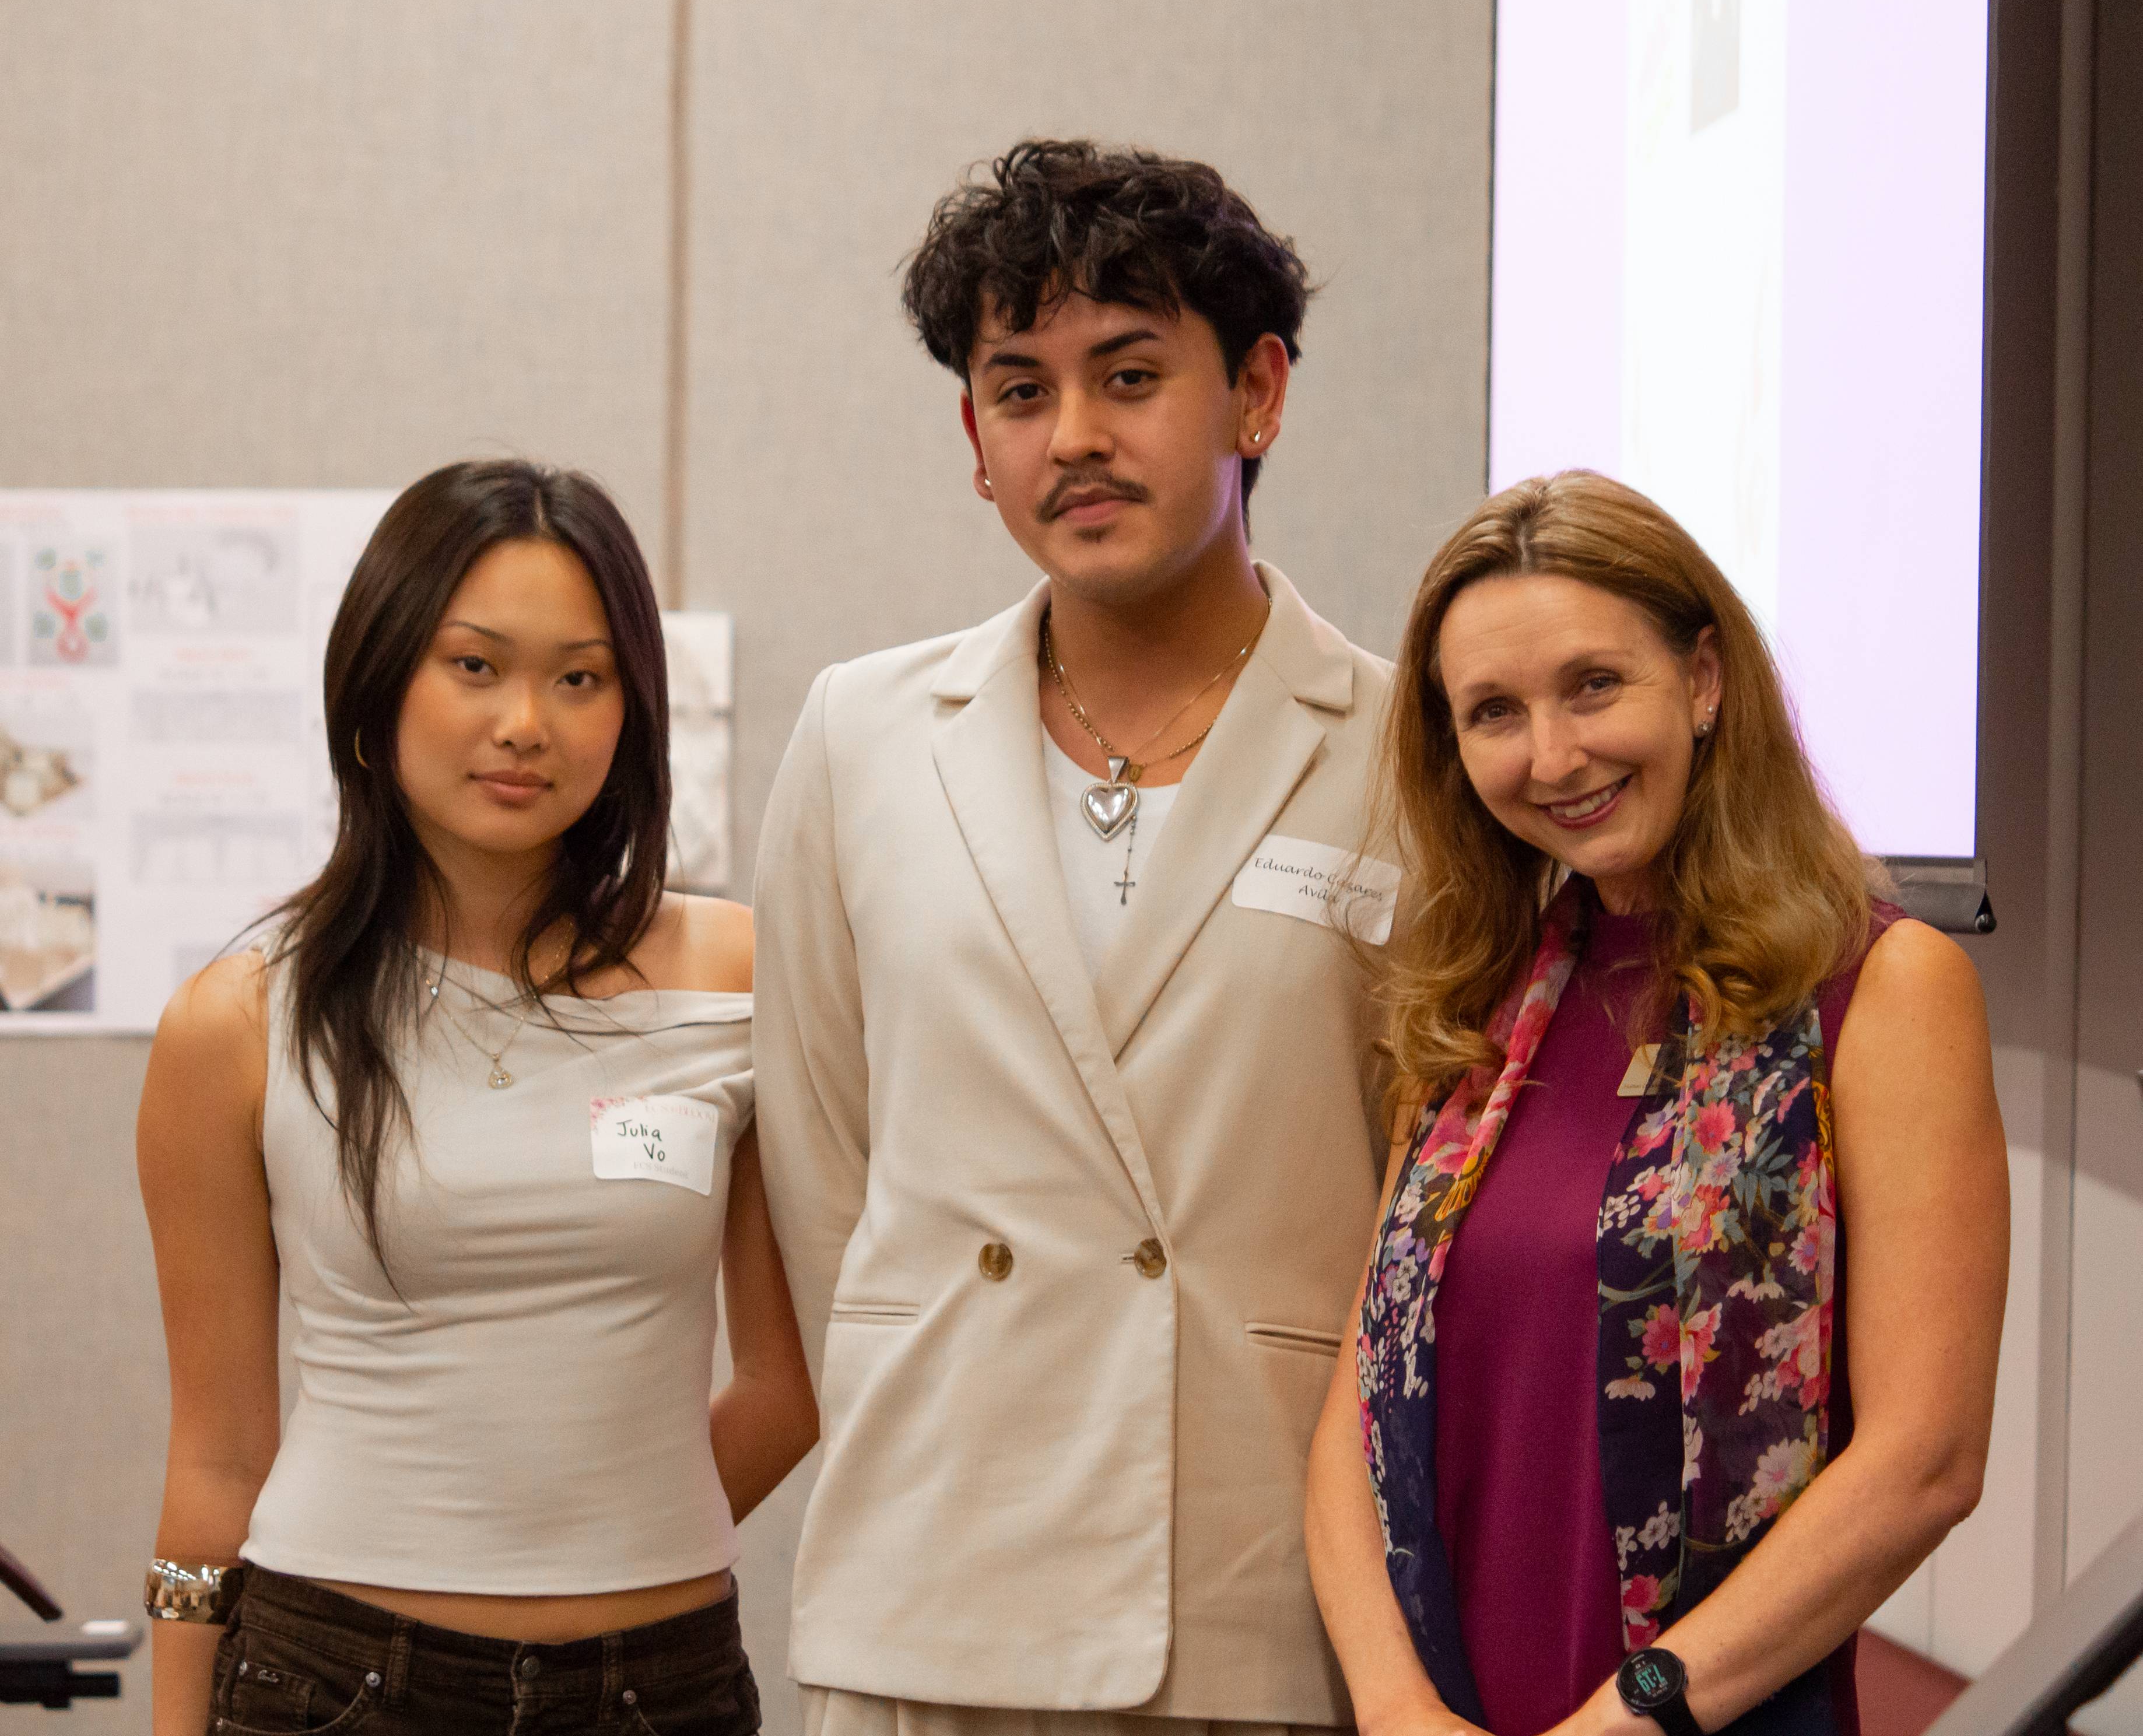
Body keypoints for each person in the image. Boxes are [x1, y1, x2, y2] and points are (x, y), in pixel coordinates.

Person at [753, 139, 1393, 1734]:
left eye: (1128, 375)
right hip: (935, 1573)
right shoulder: (860, 733)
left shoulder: (1406, 750)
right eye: (1018, 389)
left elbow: (1422, 1190)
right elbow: (826, 1173)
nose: (1075, 438)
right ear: (974, 439)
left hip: (1261, 1582)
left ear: (1255, 395)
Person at [1304, 471, 2008, 1736]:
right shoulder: (1468, 1013)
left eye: (1591, 684)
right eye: (1493, 712)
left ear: (1700, 678)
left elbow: (1923, 1463)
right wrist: (1396, 1708)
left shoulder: (1879, 989)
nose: (1552, 754)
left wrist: (1628, 1721)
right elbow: (1354, 1412)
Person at [136, 460, 816, 1736]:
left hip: (655, 1688)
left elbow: (792, 1378)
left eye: (580, 677)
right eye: (475, 666)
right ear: (378, 679)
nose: (526, 723)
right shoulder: (236, 1022)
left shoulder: (742, 978)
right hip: (334, 1680)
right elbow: (218, 1454)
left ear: (631, 714)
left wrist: (596, 1528)